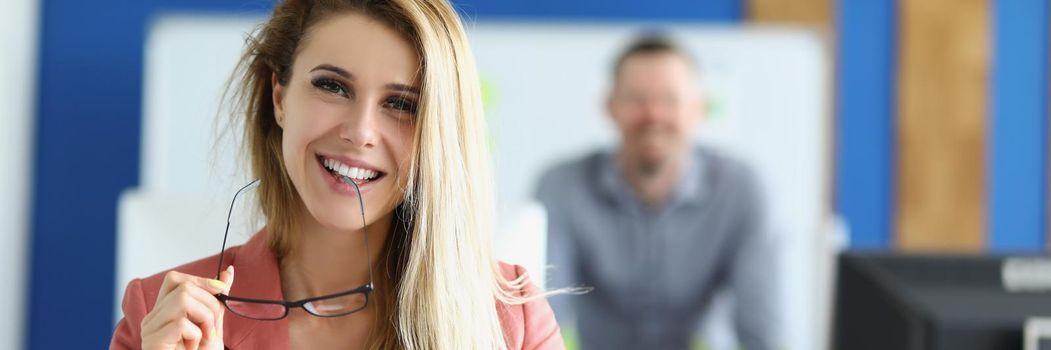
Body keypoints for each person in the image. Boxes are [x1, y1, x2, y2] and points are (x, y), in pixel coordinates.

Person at [110, 0, 563, 349]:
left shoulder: (512, 323)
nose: (360, 132)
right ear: (280, 96)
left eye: (401, 104)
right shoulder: (161, 316)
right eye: (332, 86)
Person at [536, 35, 782, 350]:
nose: (653, 115)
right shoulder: (561, 187)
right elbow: (543, 318)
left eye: (670, 100)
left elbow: (765, 334)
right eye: (637, 99)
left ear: (699, 108)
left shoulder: (743, 191)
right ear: (610, 107)